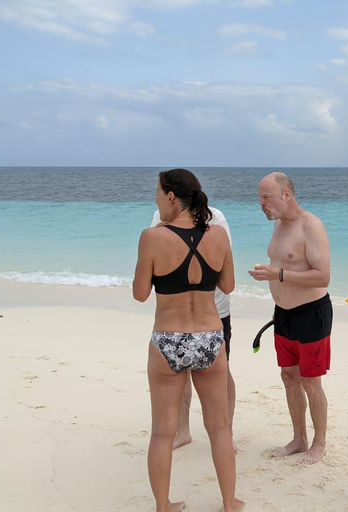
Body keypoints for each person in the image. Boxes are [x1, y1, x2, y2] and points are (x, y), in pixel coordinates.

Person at [133, 168, 244, 512]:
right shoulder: (219, 236)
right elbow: (228, 286)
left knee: (162, 433)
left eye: (156, 193)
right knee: (220, 428)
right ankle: (229, 502)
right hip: (211, 337)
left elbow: (139, 294)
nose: (154, 199)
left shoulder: (152, 236)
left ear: (171, 197)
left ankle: (164, 506)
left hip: (168, 339)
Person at [248, 172, 332, 465]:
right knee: (289, 377)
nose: (262, 204)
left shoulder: (311, 225)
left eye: (266, 197)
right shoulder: (280, 226)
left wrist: (278, 274)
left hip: (312, 313)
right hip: (282, 314)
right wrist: (270, 275)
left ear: (286, 194)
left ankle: (319, 442)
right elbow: (281, 262)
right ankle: (299, 438)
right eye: (260, 198)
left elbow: (323, 276)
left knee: (311, 381)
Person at [150, 206, 237, 451]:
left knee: (222, 372)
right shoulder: (159, 215)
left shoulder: (216, 218)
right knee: (178, 373)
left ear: (172, 196)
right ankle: (182, 431)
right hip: (174, 316)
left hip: (214, 312)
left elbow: (223, 267)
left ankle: (226, 432)